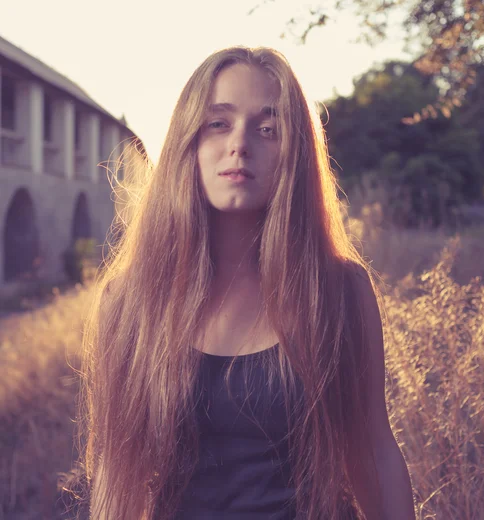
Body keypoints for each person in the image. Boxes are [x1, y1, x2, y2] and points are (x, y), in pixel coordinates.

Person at [71, 46, 416, 519]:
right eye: (219, 123)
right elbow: (117, 472)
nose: (240, 143)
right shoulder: (126, 303)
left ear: (293, 154)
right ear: (186, 143)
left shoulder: (339, 290)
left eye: (268, 129)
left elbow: (374, 450)